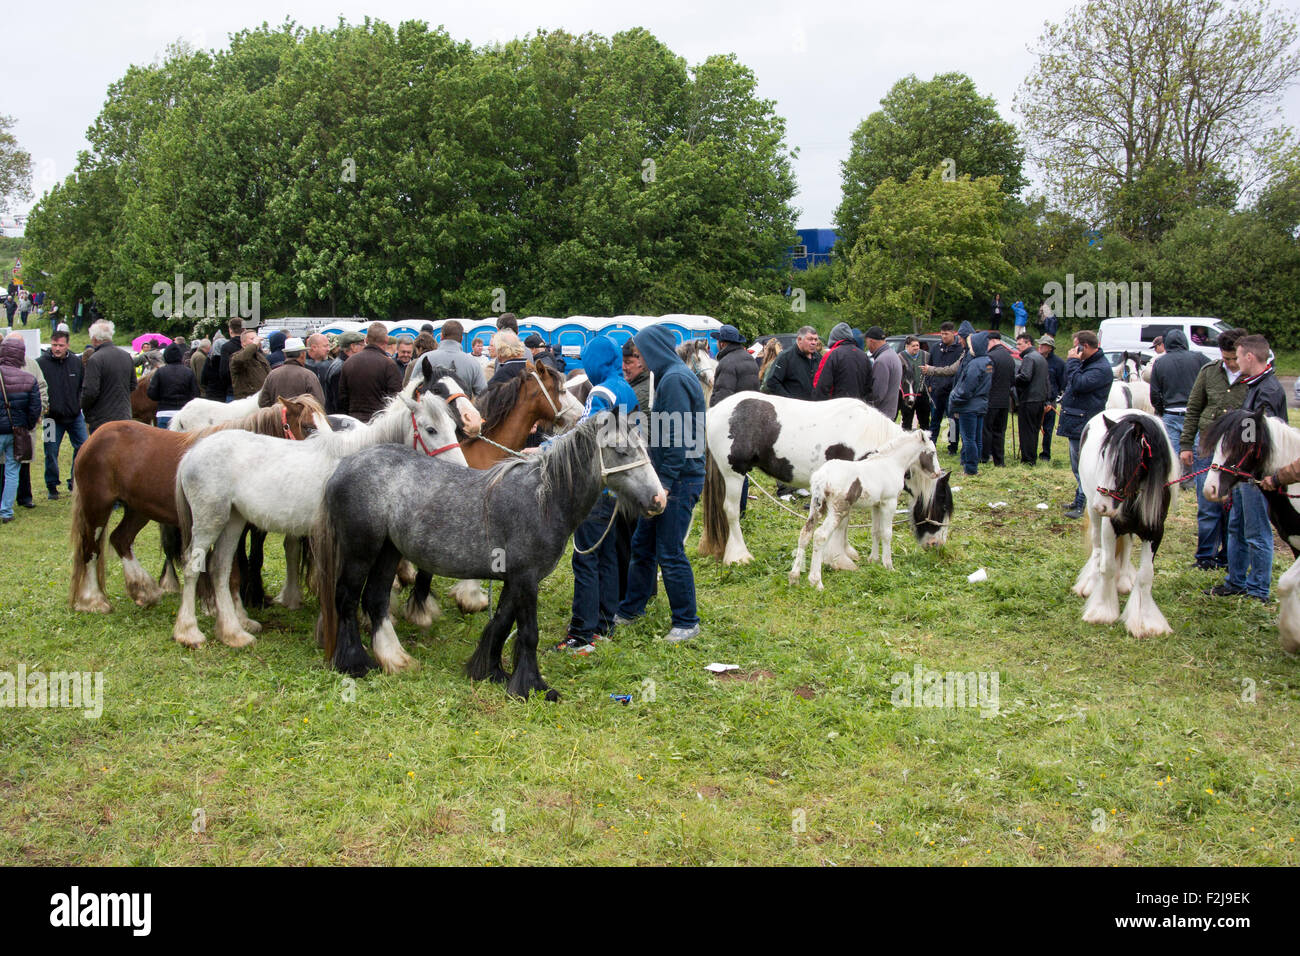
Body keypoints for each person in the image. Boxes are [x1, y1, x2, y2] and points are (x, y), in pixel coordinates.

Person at [613, 323, 705, 643]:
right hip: (668, 476)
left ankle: (686, 621)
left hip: (678, 480)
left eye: (642, 350)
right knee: (643, 545)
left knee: (669, 551)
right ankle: (631, 609)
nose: (640, 357)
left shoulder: (676, 380)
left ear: (653, 350)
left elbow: (677, 435)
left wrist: (664, 483)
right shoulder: (668, 376)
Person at [555, 336, 642, 654]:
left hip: (597, 485)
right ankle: (604, 625)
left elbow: (583, 436)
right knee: (606, 556)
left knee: (585, 557)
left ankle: (581, 635)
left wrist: (546, 447)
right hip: (617, 485)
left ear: (594, 363)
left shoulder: (601, 392)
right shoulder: (626, 389)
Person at [1206, 334, 1286, 603]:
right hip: (1244, 472)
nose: (1235, 360)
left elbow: (1264, 434)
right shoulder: (1254, 385)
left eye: (1238, 356)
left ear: (1249, 357)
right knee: (1236, 526)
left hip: (1255, 474)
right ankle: (1236, 581)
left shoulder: (1268, 390)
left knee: (1256, 531)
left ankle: (1258, 590)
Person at [1180, 328, 1246, 571]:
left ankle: (1229, 555)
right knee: (1207, 504)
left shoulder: (1252, 378)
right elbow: (1194, 408)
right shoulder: (1208, 372)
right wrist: (1186, 444)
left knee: (1235, 507)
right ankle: (1205, 557)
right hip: (1207, 447)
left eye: (1235, 359)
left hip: (1237, 451)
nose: (1231, 364)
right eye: (1226, 358)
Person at [1057, 330, 1111, 518]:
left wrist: (1072, 362)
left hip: (1084, 421)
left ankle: (1083, 503)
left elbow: (1079, 384)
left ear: (1085, 346)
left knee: (1084, 466)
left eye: (1076, 346)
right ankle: (1079, 499)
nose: (1073, 350)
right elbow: (1070, 382)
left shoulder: (1100, 368)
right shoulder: (1087, 364)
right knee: (1077, 466)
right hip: (1076, 418)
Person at [36, 329, 87, 499]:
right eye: (54, 345)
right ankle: (51, 485)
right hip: (51, 418)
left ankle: (74, 481)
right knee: (50, 451)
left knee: (83, 447)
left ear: (68, 345)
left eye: (61, 345)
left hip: (74, 416)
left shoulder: (76, 362)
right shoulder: (41, 363)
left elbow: (82, 386)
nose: (57, 348)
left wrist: (78, 403)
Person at [0, 336, 41, 524]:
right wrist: (27, 426)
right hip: (17, 432)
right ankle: (6, 511)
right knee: (12, 472)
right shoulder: (29, 379)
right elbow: (35, 409)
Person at [1149, 329, 1208, 451]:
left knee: (1173, 456)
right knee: (1199, 455)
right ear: (1185, 342)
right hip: (1195, 413)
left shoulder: (1159, 362)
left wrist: (1162, 411)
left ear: (1166, 343)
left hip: (1170, 413)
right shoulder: (1200, 358)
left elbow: (1154, 394)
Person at [947, 331, 992, 476]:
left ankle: (971, 469)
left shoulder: (975, 364)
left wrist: (954, 398)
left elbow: (967, 388)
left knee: (968, 439)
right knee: (976, 438)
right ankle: (974, 464)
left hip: (969, 406)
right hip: (980, 404)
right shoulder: (988, 362)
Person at [81, 320, 137, 434]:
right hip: (124, 416)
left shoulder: (95, 359)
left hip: (102, 419)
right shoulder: (126, 356)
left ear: (95, 339)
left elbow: (90, 392)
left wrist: (84, 409)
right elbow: (133, 385)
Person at [339, 322, 402, 422]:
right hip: (379, 425)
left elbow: (342, 398)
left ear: (366, 340)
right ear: (386, 340)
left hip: (354, 423)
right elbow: (396, 399)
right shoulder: (389, 365)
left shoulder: (349, 362)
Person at [410, 320, 488, 395]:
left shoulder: (425, 359)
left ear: (441, 337)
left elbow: (411, 390)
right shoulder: (473, 364)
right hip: (461, 407)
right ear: (461, 339)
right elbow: (483, 396)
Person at [921, 322, 965, 453]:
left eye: (946, 334)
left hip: (951, 390)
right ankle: (932, 444)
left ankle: (952, 446)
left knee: (952, 421)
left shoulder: (959, 349)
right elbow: (929, 367)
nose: (944, 336)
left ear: (953, 333)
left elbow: (956, 370)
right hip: (936, 390)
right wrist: (929, 384)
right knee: (935, 419)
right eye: (942, 334)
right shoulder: (935, 348)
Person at [812, 322, 872, 402]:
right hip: (859, 407)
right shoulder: (864, 356)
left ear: (834, 338)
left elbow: (821, 386)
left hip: (838, 408)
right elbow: (869, 387)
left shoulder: (832, 355)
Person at [259, 337, 324, 408]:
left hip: (278, 418)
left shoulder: (272, 375)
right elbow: (319, 402)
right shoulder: (308, 375)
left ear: (285, 355)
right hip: (302, 418)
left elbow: (262, 402)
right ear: (302, 354)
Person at [981, 331, 1016, 466]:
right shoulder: (1009, 357)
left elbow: (988, 378)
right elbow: (1012, 380)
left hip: (991, 400)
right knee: (1000, 431)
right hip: (1004, 401)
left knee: (987, 429)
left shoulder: (990, 357)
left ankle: (984, 457)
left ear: (992, 341)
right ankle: (999, 460)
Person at [1014, 333, 1049, 465]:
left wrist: (1013, 379)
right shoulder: (1040, 358)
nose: (1017, 347)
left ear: (1028, 344)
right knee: (1034, 430)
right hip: (1039, 399)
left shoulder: (1029, 357)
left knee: (1026, 430)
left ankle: (1028, 459)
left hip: (1029, 399)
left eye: (1019, 344)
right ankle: (1031, 457)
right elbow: (1046, 381)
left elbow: (1025, 377)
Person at [146, 343, 199, 428]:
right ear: (180, 356)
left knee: (164, 440)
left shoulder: (160, 372)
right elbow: (195, 394)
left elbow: (152, 394)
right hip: (183, 413)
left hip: (164, 412)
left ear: (166, 356)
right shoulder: (189, 372)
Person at [760, 325, 820, 399]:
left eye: (815, 339)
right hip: (792, 407)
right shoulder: (785, 357)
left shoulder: (818, 357)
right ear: (799, 339)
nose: (813, 342)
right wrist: (789, 400)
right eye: (810, 339)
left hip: (814, 406)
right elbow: (772, 382)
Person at [710, 325, 760, 406]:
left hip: (734, 414)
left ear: (722, 344)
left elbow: (722, 397)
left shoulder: (726, 362)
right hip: (752, 410)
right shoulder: (750, 358)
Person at [323, 331, 364, 415]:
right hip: (342, 420)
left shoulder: (342, 364)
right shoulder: (342, 368)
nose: (365, 348)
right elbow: (339, 402)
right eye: (362, 345)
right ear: (353, 347)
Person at [1038, 334, 1065, 460]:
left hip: (1051, 400)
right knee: (1033, 427)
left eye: (1043, 345)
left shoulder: (1059, 363)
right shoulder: (1036, 359)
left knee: (1048, 429)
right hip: (1037, 398)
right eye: (1040, 344)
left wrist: (1053, 395)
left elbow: (1062, 382)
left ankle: (1046, 453)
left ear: (1050, 347)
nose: (1040, 346)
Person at [899, 336, 930, 431]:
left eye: (917, 345)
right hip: (907, 396)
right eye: (913, 346)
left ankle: (925, 443)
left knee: (924, 422)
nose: (916, 347)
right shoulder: (899, 357)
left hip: (922, 394)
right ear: (907, 346)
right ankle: (906, 443)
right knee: (906, 422)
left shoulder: (926, 356)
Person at [229, 329, 271, 399]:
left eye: (256, 338)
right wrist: (254, 344)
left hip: (262, 399)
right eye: (252, 339)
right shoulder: (236, 357)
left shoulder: (261, 357)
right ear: (243, 343)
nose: (256, 341)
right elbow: (240, 360)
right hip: (247, 401)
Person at [215, 318, 244, 401]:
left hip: (233, 390)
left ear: (230, 330)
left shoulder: (226, 347)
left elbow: (224, 372)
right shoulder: (252, 346)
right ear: (244, 329)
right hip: (251, 391)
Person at [623, 340, 652, 412]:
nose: (623, 367)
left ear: (641, 360)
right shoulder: (638, 386)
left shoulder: (641, 394)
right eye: (622, 362)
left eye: (628, 362)